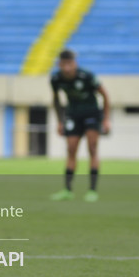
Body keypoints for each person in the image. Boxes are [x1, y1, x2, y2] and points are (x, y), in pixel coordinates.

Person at [50, 49, 111, 202]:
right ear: (59, 64)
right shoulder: (56, 78)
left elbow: (105, 95)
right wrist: (59, 120)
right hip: (73, 115)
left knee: (92, 148)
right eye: (64, 64)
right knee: (71, 149)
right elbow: (56, 100)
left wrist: (106, 119)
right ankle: (67, 190)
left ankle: (92, 190)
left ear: (74, 63)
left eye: (70, 63)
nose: (67, 67)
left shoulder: (87, 76)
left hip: (92, 114)